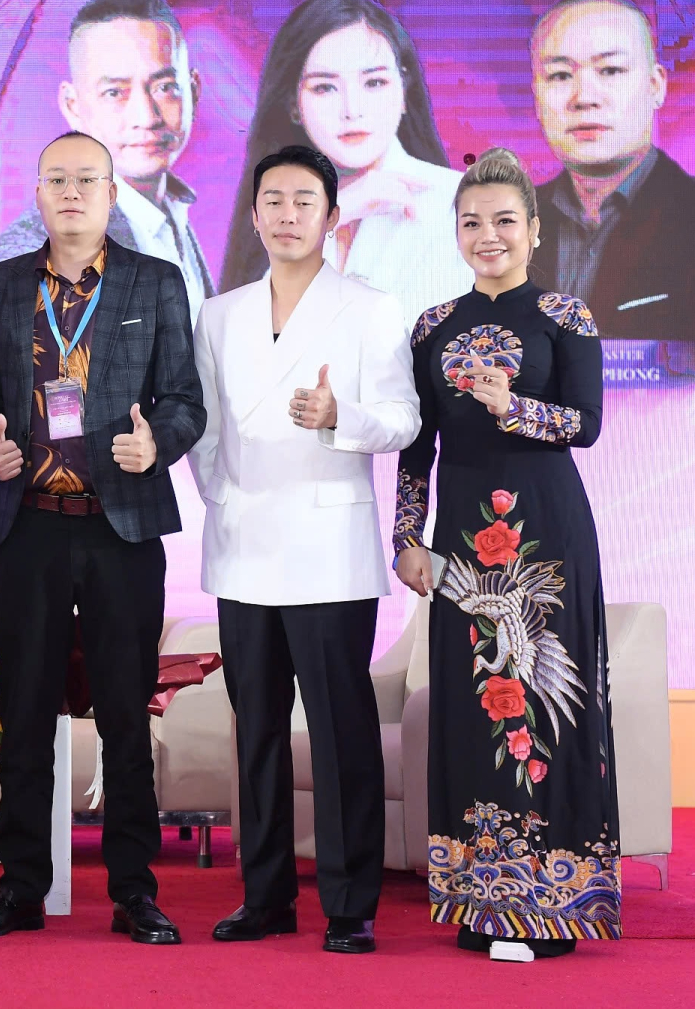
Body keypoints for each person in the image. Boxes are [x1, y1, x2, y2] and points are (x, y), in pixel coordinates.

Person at [0, 131, 207, 945]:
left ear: (110, 193)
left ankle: (135, 891)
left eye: (87, 180)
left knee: (125, 717)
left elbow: (184, 400)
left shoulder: (155, 280)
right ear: (38, 193)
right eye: (57, 179)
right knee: (23, 714)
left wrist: (157, 443)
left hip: (121, 528)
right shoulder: (1, 285)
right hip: (28, 526)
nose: (72, 193)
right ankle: (21, 888)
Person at [189, 145, 420, 955]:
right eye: (274, 200)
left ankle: (351, 905)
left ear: (331, 216)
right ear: (254, 216)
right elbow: (206, 429)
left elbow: (403, 419)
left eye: (305, 201)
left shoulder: (370, 307)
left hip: (329, 549)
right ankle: (265, 897)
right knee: (255, 730)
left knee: (339, 729)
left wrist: (338, 416)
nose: (288, 215)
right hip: (244, 545)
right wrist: (223, 496)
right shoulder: (219, 313)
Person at [394, 147, 621, 959]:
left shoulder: (566, 317)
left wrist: (512, 406)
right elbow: (416, 448)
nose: (487, 235)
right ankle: (480, 899)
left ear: (533, 229)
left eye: (503, 221)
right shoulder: (432, 327)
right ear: (455, 232)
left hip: (546, 535)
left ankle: (552, 904)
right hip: (462, 540)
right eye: (471, 222)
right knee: (472, 707)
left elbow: (585, 425)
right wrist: (406, 539)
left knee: (548, 708)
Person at [527, 0, 695, 378]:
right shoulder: (499, 224)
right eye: (560, 75)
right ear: (537, 96)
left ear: (656, 86)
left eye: (610, 70)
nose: (584, 98)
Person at [217, 0, 468, 320]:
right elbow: (247, 337)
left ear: (403, 90)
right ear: (293, 105)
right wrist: (335, 214)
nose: (352, 109)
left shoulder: (459, 205)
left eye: (374, 83)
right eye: (325, 87)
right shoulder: (274, 213)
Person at [0, 0, 216, 310]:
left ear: (193, 91)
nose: (146, 117)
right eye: (114, 93)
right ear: (73, 105)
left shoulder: (174, 211)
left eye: (165, 88)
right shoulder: (35, 251)